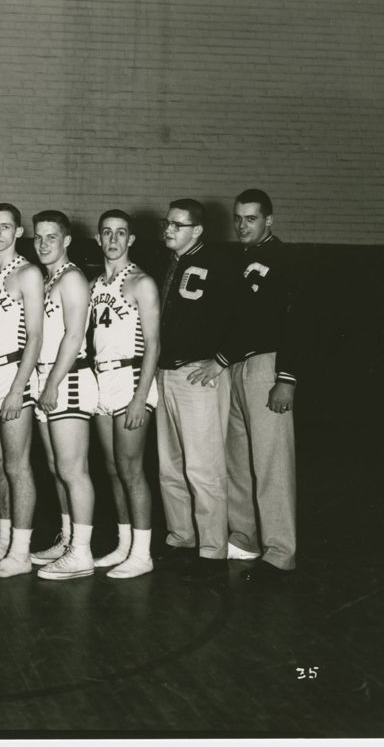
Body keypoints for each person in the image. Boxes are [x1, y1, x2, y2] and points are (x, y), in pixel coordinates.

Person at [218, 189, 298, 583]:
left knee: (271, 463)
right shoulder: (239, 260)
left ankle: (280, 551)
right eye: (238, 218)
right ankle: (244, 538)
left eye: (251, 218)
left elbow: (298, 323)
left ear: (269, 220)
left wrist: (287, 378)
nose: (242, 225)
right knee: (238, 460)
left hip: (268, 365)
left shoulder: (284, 259)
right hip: (235, 366)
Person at [155, 198, 234, 584]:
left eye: (177, 225)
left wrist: (220, 360)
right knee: (170, 466)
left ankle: (212, 550)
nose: (168, 229)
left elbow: (243, 315)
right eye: (167, 223)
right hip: (165, 374)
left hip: (197, 378)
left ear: (197, 230)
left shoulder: (218, 264)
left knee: (203, 468)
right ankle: (182, 537)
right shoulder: (171, 263)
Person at [89, 209, 160, 580]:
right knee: (114, 468)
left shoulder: (142, 283)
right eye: (106, 233)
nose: (113, 240)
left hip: (133, 379)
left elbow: (154, 344)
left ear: (131, 239)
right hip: (103, 379)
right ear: (99, 239)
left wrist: (140, 396)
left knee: (132, 468)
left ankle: (143, 553)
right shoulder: (96, 284)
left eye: (121, 233)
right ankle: (123, 542)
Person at [0, 203, 43, 578]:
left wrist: (18, 388)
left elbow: (35, 335)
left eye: (6, 227)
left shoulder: (27, 273)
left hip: (15, 373)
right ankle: (4, 540)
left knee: (18, 466)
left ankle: (21, 551)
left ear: (18, 232)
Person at [31, 211, 99, 581]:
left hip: (68, 379)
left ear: (66, 240)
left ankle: (82, 553)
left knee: (74, 470)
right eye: (38, 237)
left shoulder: (71, 278)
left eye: (51, 237)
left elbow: (74, 337)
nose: (43, 244)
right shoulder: (48, 279)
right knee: (59, 468)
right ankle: (69, 538)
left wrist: (54, 383)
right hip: (48, 379)